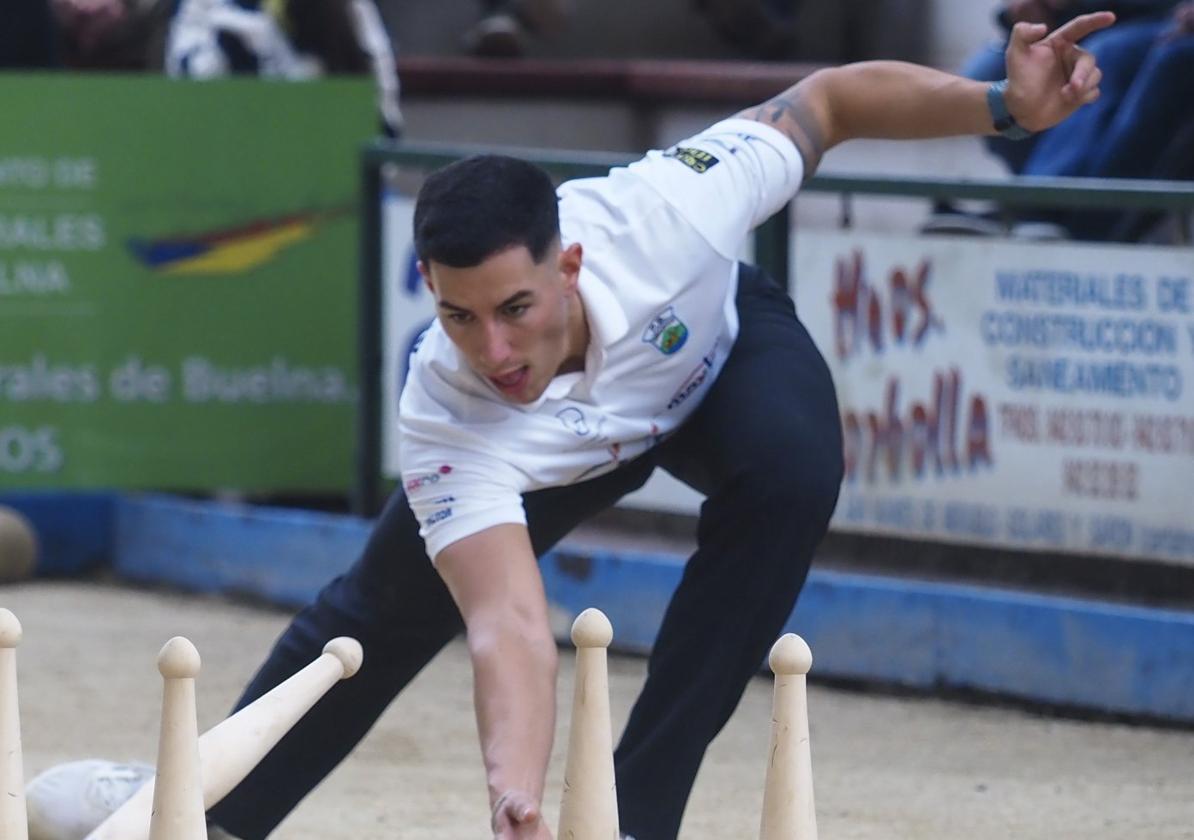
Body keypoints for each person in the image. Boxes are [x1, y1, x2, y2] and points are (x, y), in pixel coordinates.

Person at [26, 12, 1113, 840]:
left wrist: (1004, 109)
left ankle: (625, 821)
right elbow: (509, 623)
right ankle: (208, 812)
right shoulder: (449, 401)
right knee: (380, 613)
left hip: (714, 369)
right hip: (547, 453)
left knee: (792, 473)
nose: (493, 351)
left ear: (570, 265)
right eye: (456, 316)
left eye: (515, 310)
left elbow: (827, 100)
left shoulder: (672, 210)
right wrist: (512, 787)